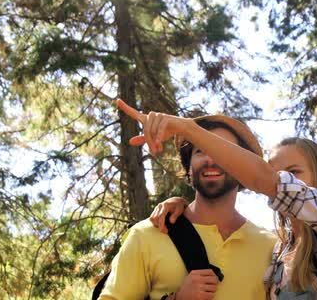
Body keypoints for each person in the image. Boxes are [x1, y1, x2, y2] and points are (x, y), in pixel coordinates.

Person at [128, 105, 317, 299]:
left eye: (294, 172)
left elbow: (266, 179)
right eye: (200, 151)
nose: (287, 181)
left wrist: (188, 128)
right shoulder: (278, 251)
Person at [99, 99, 276, 300]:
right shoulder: (146, 235)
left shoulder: (271, 247)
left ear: (243, 166)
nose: (211, 159)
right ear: (188, 167)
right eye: (200, 150)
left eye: (223, 152)